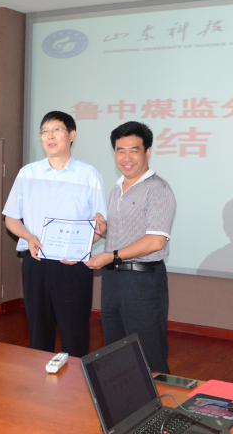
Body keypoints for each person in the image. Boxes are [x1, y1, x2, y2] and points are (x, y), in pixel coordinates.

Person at [3, 111, 106, 358]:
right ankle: (40, 382)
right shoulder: (28, 173)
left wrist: (82, 248)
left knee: (75, 336)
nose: (50, 136)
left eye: (57, 130)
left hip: (72, 266)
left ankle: (76, 381)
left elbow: (99, 226)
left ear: (72, 135)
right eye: (45, 131)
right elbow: (11, 218)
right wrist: (29, 237)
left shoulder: (89, 175)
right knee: (39, 335)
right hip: (36, 262)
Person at [85, 121, 176, 374]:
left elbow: (155, 241)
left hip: (142, 283)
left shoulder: (158, 189)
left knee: (148, 355)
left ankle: (160, 400)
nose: (126, 158)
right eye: (120, 150)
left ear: (147, 152)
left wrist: (110, 256)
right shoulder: (117, 188)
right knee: (116, 352)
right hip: (113, 281)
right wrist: (105, 231)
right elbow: (125, 234)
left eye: (133, 150)